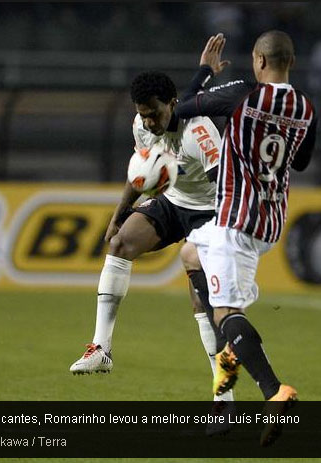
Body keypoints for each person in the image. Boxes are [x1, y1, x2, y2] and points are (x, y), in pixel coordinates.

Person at [175, 31, 317, 446]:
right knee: (189, 255)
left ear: (258, 60)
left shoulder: (241, 93)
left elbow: (179, 112)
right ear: (290, 61)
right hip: (270, 219)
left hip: (235, 221)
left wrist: (203, 71)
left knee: (226, 312)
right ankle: (228, 354)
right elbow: (302, 161)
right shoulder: (305, 107)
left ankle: (273, 391)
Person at [68, 71, 235, 408]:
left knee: (202, 305)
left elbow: (225, 186)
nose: (149, 121)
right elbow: (140, 170)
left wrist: (223, 234)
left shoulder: (199, 131)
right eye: (143, 113)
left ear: (173, 104)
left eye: (155, 113)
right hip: (173, 202)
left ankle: (225, 397)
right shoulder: (141, 125)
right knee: (120, 243)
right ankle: (101, 348)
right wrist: (120, 212)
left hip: (210, 212)